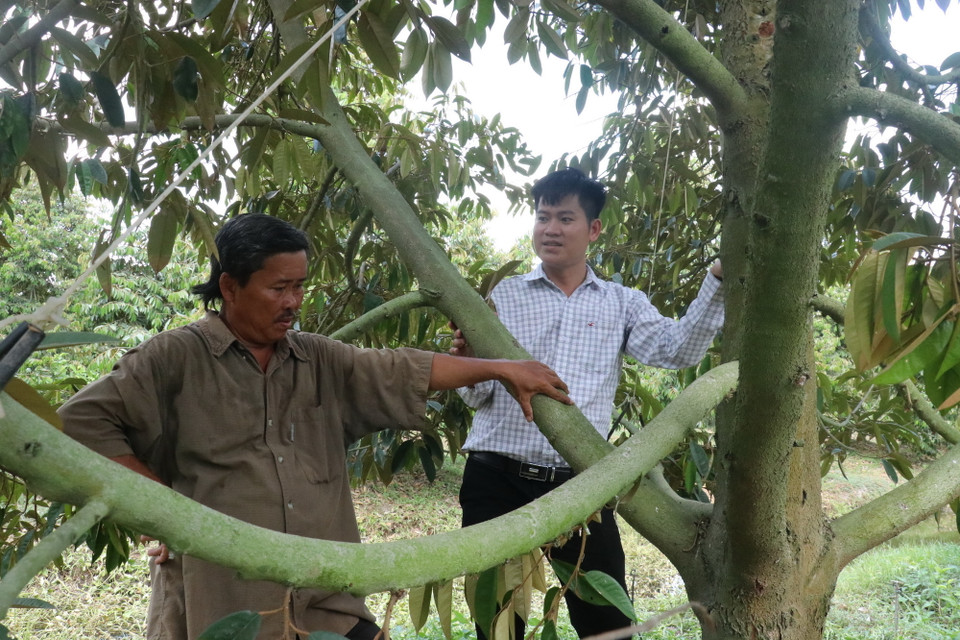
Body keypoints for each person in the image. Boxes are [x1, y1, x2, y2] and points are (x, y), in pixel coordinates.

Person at [60, 213, 572, 640]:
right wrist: (159, 509)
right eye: (279, 287)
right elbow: (78, 422)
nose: (293, 301)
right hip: (223, 598)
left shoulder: (317, 358)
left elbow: (401, 368)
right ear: (230, 287)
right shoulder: (175, 358)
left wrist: (501, 369)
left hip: (325, 600)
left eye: (300, 286)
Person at [450, 168, 724, 638]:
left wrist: (717, 279)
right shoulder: (504, 297)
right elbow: (477, 396)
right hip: (496, 479)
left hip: (580, 486)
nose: (550, 229)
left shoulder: (622, 303)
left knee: (607, 624)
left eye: (565, 218)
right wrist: (470, 363)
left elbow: (677, 350)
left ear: (593, 229)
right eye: (543, 217)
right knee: (496, 625)